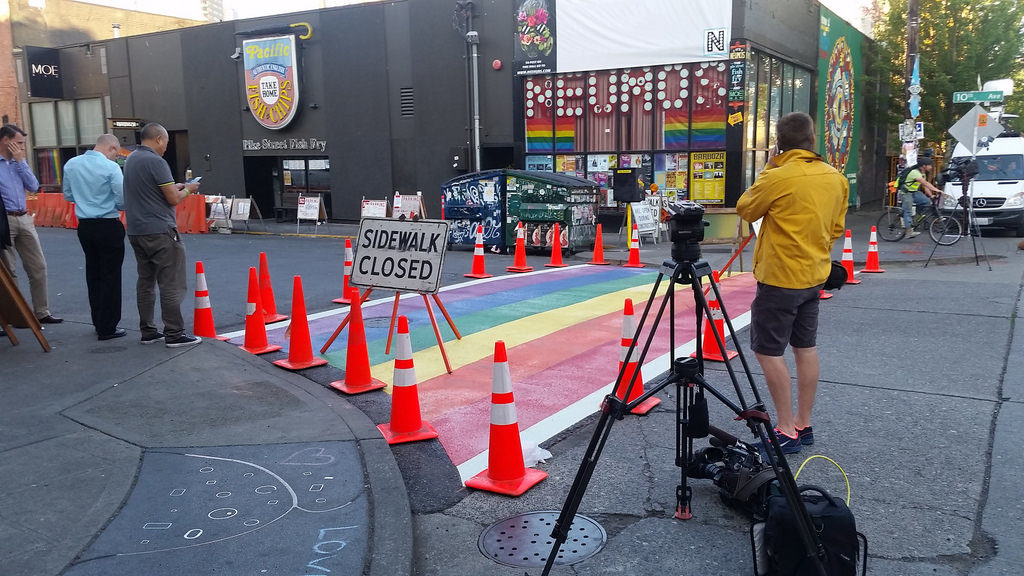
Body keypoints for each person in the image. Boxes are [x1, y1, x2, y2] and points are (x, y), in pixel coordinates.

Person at [735, 112, 848, 454]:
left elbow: (746, 209)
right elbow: (836, 229)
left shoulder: (779, 176)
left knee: (768, 351)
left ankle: (785, 430)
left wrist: (771, 168)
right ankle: (803, 422)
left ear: (779, 145)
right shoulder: (835, 178)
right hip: (815, 275)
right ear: (813, 140)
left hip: (780, 278)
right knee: (805, 348)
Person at [123, 123, 201, 347]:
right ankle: (174, 333)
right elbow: (173, 199)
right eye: (166, 142)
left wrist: (175, 187)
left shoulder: (132, 159)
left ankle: (148, 330)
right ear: (158, 139)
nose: (166, 147)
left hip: (137, 230)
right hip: (160, 230)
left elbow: (153, 191)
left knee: (145, 281)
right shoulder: (156, 162)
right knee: (171, 282)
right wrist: (188, 189)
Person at [62, 134, 127, 340]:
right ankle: (108, 326)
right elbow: (122, 200)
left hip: (85, 226)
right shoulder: (111, 168)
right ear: (111, 148)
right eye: (116, 152)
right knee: (111, 276)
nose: (116, 156)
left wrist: (85, 200)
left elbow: (68, 195)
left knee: (94, 273)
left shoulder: (72, 164)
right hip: (108, 224)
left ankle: (98, 320)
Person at [0, 123, 62, 324]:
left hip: (24, 217)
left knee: (38, 266)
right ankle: (14, 315)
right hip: (5, 218)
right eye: (19, 143)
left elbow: (34, 186)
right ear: (6, 141)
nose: (22, 147)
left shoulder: (19, 163)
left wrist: (21, 162)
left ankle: (41, 311)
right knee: (9, 271)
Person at [899, 157, 941, 237]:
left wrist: (931, 195)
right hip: (906, 193)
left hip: (914, 192)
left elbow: (925, 187)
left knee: (926, 202)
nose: (931, 167)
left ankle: (916, 218)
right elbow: (925, 183)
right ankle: (909, 232)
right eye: (930, 165)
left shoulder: (922, 173)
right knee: (908, 211)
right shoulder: (915, 173)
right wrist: (937, 190)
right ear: (924, 166)